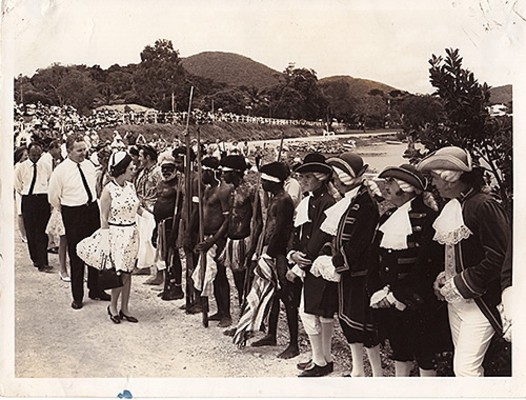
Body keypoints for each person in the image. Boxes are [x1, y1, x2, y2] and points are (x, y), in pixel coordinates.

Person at [417, 146, 510, 376]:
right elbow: (456, 253)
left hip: (480, 303)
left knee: (466, 369)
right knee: (464, 367)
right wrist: (444, 277)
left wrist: (460, 283)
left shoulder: (483, 205)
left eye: (435, 179)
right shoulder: (454, 205)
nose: (434, 185)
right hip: (456, 302)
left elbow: (500, 256)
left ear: (450, 179)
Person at [367, 164, 445, 377]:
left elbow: (427, 266)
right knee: (399, 350)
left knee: (424, 355)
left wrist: (399, 295)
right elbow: (374, 258)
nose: (386, 187)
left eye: (391, 182)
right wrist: (376, 292)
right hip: (387, 299)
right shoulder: (388, 216)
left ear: (406, 187)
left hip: (416, 301)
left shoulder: (429, 219)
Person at [323, 153, 383, 377]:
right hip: (348, 274)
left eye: (336, 179)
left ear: (343, 180)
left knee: (365, 327)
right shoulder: (350, 201)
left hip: (359, 274)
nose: (334, 183)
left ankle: (377, 375)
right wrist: (329, 253)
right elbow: (339, 236)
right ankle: (358, 370)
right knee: (350, 324)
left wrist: (337, 263)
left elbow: (359, 244)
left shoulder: (365, 204)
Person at [287, 153, 337, 377]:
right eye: (302, 177)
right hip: (307, 260)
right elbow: (299, 233)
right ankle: (323, 358)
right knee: (318, 313)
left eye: (308, 176)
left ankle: (321, 360)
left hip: (318, 264)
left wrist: (301, 262)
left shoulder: (327, 202)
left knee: (313, 312)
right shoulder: (310, 201)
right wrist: (293, 253)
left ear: (320, 177)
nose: (304, 181)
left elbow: (320, 237)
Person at [48, 133, 109, 310]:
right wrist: (68, 209)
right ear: (69, 151)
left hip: (91, 210)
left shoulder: (89, 165)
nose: (83, 153)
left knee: (94, 250)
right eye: (79, 150)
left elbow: (94, 187)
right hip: (73, 213)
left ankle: (95, 289)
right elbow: (53, 197)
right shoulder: (60, 171)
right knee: (76, 255)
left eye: (84, 149)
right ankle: (77, 296)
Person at [245, 162, 296, 357]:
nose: (261, 184)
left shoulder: (283, 200)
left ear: (272, 181)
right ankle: (272, 334)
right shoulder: (275, 198)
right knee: (273, 294)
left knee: (286, 295)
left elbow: (281, 232)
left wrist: (269, 254)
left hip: (279, 254)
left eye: (263, 180)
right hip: (269, 250)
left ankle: (293, 344)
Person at [218, 155, 263, 329]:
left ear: (235, 172)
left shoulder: (250, 190)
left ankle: (250, 321)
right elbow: (230, 218)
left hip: (244, 241)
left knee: (246, 282)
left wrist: (253, 245)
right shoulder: (233, 190)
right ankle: (243, 321)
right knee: (238, 283)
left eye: (225, 172)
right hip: (233, 241)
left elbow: (258, 220)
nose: (222, 175)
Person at [100, 151, 143, 323]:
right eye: (131, 168)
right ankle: (113, 307)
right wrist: (105, 239)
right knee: (118, 273)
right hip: (116, 234)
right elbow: (103, 216)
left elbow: (137, 209)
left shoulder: (131, 187)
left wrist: (152, 217)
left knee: (128, 272)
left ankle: (125, 308)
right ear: (122, 169)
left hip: (131, 233)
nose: (133, 170)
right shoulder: (108, 190)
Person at [192, 157, 231, 320]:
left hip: (218, 239)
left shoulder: (223, 190)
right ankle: (220, 311)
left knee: (221, 275)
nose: (200, 175)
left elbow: (227, 220)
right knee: (212, 276)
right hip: (206, 237)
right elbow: (201, 214)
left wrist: (213, 240)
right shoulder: (207, 190)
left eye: (202, 171)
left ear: (210, 171)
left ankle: (226, 314)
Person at [14, 141, 53, 273]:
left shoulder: (46, 165)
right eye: (33, 155)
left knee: (42, 232)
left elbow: (50, 181)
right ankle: (35, 258)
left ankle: (43, 261)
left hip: (42, 199)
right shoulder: (21, 167)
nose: (35, 157)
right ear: (28, 154)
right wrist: (28, 195)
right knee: (31, 231)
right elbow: (18, 186)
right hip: (28, 199)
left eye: (38, 155)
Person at [151, 155, 185, 301]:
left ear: (175, 170)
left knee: (173, 256)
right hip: (160, 225)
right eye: (163, 169)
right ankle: (168, 285)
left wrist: (176, 231)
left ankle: (177, 287)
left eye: (169, 169)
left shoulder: (179, 186)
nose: (165, 171)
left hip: (172, 225)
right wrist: (154, 230)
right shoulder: (161, 184)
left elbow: (180, 210)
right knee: (165, 256)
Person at [134, 145, 163, 279]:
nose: (139, 159)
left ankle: (160, 274)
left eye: (141, 156)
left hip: (152, 209)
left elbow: (162, 191)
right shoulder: (144, 171)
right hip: (143, 209)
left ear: (148, 157)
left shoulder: (157, 172)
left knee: (155, 241)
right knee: (144, 239)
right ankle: (144, 266)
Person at [14, 145, 29, 243]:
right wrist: (20, 191)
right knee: (20, 213)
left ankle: (26, 233)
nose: (26, 157)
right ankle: (23, 235)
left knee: (25, 213)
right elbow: (16, 183)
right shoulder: (18, 166)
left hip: (26, 191)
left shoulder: (26, 165)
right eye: (24, 155)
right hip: (20, 192)